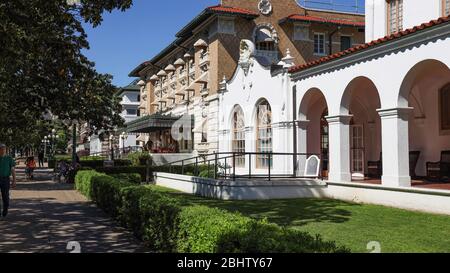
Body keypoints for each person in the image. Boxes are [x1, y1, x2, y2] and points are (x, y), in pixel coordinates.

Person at [0, 144, 16, 219]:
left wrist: (14, 180)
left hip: (5, 179)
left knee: (5, 197)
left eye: (4, 149)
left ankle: (5, 212)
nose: (2, 150)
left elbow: (12, 170)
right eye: (1, 149)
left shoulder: (9, 158)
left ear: (5, 150)